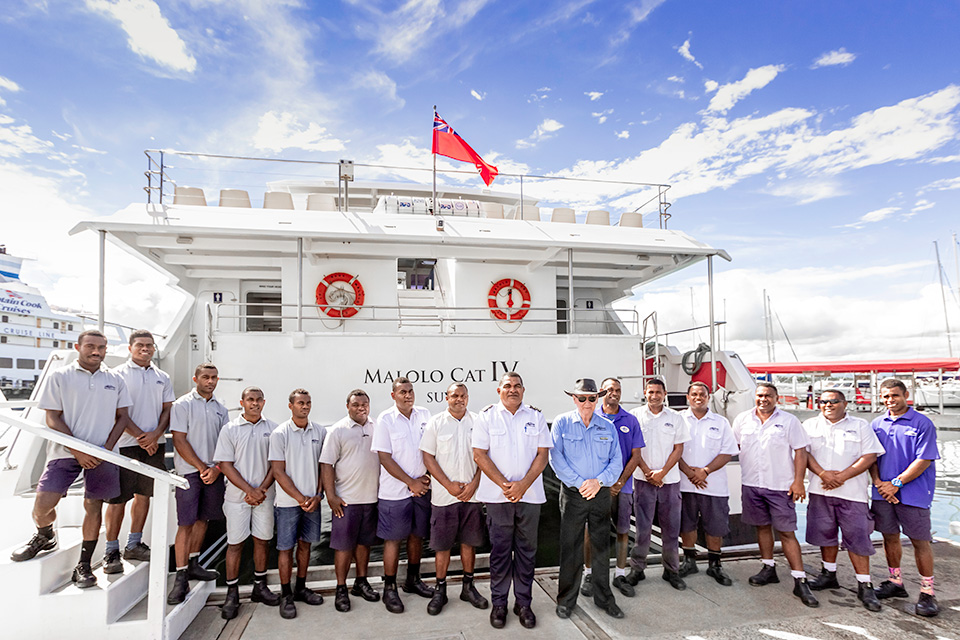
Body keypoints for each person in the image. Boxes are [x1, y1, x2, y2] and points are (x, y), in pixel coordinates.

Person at [11, 330, 132, 592]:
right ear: (78, 347)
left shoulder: (115, 379)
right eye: (90, 346)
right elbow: (52, 417)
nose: (96, 351)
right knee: (43, 504)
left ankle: (84, 565)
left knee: (93, 506)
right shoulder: (60, 376)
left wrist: (106, 449)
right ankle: (45, 535)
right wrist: (78, 450)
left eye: (101, 347)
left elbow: (122, 417)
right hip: (65, 452)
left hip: (102, 453)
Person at [473, 372, 551, 630]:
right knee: (500, 553)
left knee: (527, 553)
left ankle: (524, 603)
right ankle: (498, 603)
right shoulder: (486, 416)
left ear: (523, 390)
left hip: (530, 497)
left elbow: (542, 455)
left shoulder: (536, 417)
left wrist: (523, 485)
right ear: (499, 390)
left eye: (517, 386)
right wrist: (507, 486)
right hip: (498, 498)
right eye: (508, 386)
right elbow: (480, 455)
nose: (513, 390)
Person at [732, 382, 817, 607]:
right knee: (761, 527)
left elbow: (801, 452)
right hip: (752, 483)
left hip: (780, 485)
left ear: (776, 398)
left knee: (787, 532)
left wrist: (799, 481)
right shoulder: (742, 420)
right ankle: (768, 567)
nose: (763, 399)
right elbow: (734, 445)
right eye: (760, 395)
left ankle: (800, 580)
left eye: (768, 396)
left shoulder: (789, 421)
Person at [802, 388, 885, 612]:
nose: (828, 405)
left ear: (845, 403)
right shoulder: (810, 425)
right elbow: (804, 454)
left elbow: (869, 455)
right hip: (821, 491)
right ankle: (828, 574)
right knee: (825, 535)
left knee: (858, 538)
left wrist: (842, 476)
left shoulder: (860, 425)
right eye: (823, 401)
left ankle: (864, 584)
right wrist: (823, 474)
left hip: (852, 494)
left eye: (834, 401)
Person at [550, 378, 624, 620]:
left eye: (591, 398)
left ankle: (604, 598)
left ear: (597, 398)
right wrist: (580, 483)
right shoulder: (562, 423)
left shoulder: (607, 426)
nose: (586, 402)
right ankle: (566, 600)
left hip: (600, 493)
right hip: (574, 494)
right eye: (581, 397)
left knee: (602, 546)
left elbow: (616, 461)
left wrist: (598, 482)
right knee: (570, 547)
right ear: (574, 398)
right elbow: (556, 459)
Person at [103, 330, 174, 572]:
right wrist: (141, 437)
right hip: (124, 444)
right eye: (140, 345)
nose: (145, 349)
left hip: (154, 443)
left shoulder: (162, 377)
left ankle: (134, 544)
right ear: (130, 348)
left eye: (149, 345)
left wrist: (155, 435)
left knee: (144, 495)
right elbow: (115, 410)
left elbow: (167, 410)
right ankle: (111, 550)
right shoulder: (116, 375)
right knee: (118, 498)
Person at [869, 378, 941, 617]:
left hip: (913, 494)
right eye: (886, 396)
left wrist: (896, 484)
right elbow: (872, 457)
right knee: (890, 537)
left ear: (906, 395)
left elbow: (924, 460)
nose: (890, 400)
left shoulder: (922, 423)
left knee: (920, 541)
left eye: (895, 396)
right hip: (883, 493)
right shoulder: (877, 423)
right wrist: (879, 483)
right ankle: (895, 582)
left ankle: (927, 592)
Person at [420, 383, 489, 615]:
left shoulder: (479, 421)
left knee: (469, 542)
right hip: (443, 496)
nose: (459, 399)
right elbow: (428, 457)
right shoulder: (436, 423)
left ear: (468, 398)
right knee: (442, 545)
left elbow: (485, 456)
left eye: (462, 396)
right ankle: (440, 590)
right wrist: (448, 485)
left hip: (472, 494)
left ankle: (468, 587)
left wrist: (475, 484)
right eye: (454, 396)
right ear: (446, 398)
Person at [213, 387, 281, 619]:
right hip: (236, 497)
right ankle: (232, 594)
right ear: (242, 402)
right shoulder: (230, 429)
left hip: (264, 495)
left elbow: (276, 464)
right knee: (235, 544)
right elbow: (225, 464)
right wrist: (249, 490)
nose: (254, 403)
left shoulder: (273, 429)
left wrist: (260, 490)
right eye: (250, 400)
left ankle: (259, 587)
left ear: (264, 402)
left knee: (262, 541)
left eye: (258, 400)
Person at [370, 377, 434, 614]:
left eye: (410, 391)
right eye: (402, 392)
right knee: (393, 539)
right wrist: (411, 482)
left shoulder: (425, 415)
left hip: (421, 489)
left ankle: (413, 580)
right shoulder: (385, 420)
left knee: (417, 536)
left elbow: (430, 448)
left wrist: (426, 476)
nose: (407, 395)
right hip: (394, 492)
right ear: (393, 395)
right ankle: (389, 588)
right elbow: (384, 458)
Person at [167, 363, 228, 605]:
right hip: (190, 473)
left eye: (213, 377)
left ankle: (194, 563)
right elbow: (179, 441)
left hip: (214, 473)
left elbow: (227, 444)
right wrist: (203, 468)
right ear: (196, 379)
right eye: (205, 377)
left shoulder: (221, 409)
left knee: (204, 519)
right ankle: (181, 577)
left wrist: (217, 469)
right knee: (186, 523)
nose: (210, 381)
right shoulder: (182, 405)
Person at [320, 389, 382, 612]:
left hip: (372, 498)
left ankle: (361, 582)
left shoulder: (377, 426)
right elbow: (327, 464)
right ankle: (341, 588)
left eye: (365, 404)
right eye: (356, 404)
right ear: (348, 406)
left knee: (364, 544)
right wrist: (331, 496)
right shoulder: (338, 430)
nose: (361, 408)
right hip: (346, 500)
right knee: (344, 547)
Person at [581, 377, 643, 599]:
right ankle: (589, 574)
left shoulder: (631, 420)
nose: (613, 393)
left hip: (622, 487)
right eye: (609, 390)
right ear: (600, 393)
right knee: (591, 531)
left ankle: (619, 573)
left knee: (623, 531)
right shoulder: (592, 417)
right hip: (597, 488)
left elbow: (636, 456)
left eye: (617, 390)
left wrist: (619, 482)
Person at [627, 378, 690, 590]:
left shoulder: (676, 418)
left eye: (658, 392)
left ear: (665, 394)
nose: (654, 396)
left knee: (671, 530)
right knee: (642, 528)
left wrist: (662, 472)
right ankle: (637, 568)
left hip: (669, 480)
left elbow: (678, 449)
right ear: (645, 392)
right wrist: (647, 471)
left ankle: (671, 570)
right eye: (651, 391)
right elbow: (634, 449)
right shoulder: (635, 416)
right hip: (643, 480)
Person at [269, 388, 326, 619]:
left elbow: (325, 467)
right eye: (300, 403)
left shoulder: (320, 431)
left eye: (308, 403)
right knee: (285, 548)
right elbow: (278, 471)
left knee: (306, 545)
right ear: (290, 405)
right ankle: (286, 594)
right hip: (287, 504)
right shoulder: (280, 434)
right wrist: (300, 498)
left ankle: (301, 587)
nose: (305, 406)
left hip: (313, 501)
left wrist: (318, 495)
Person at [677, 381, 739, 586]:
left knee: (715, 526)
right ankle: (689, 561)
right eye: (693, 394)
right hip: (685, 483)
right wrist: (690, 473)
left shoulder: (721, 422)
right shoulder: (678, 420)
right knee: (687, 524)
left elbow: (727, 452)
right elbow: (672, 450)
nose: (698, 397)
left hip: (714, 485)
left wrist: (705, 471)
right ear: (688, 397)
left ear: (708, 397)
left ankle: (715, 565)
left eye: (702, 394)